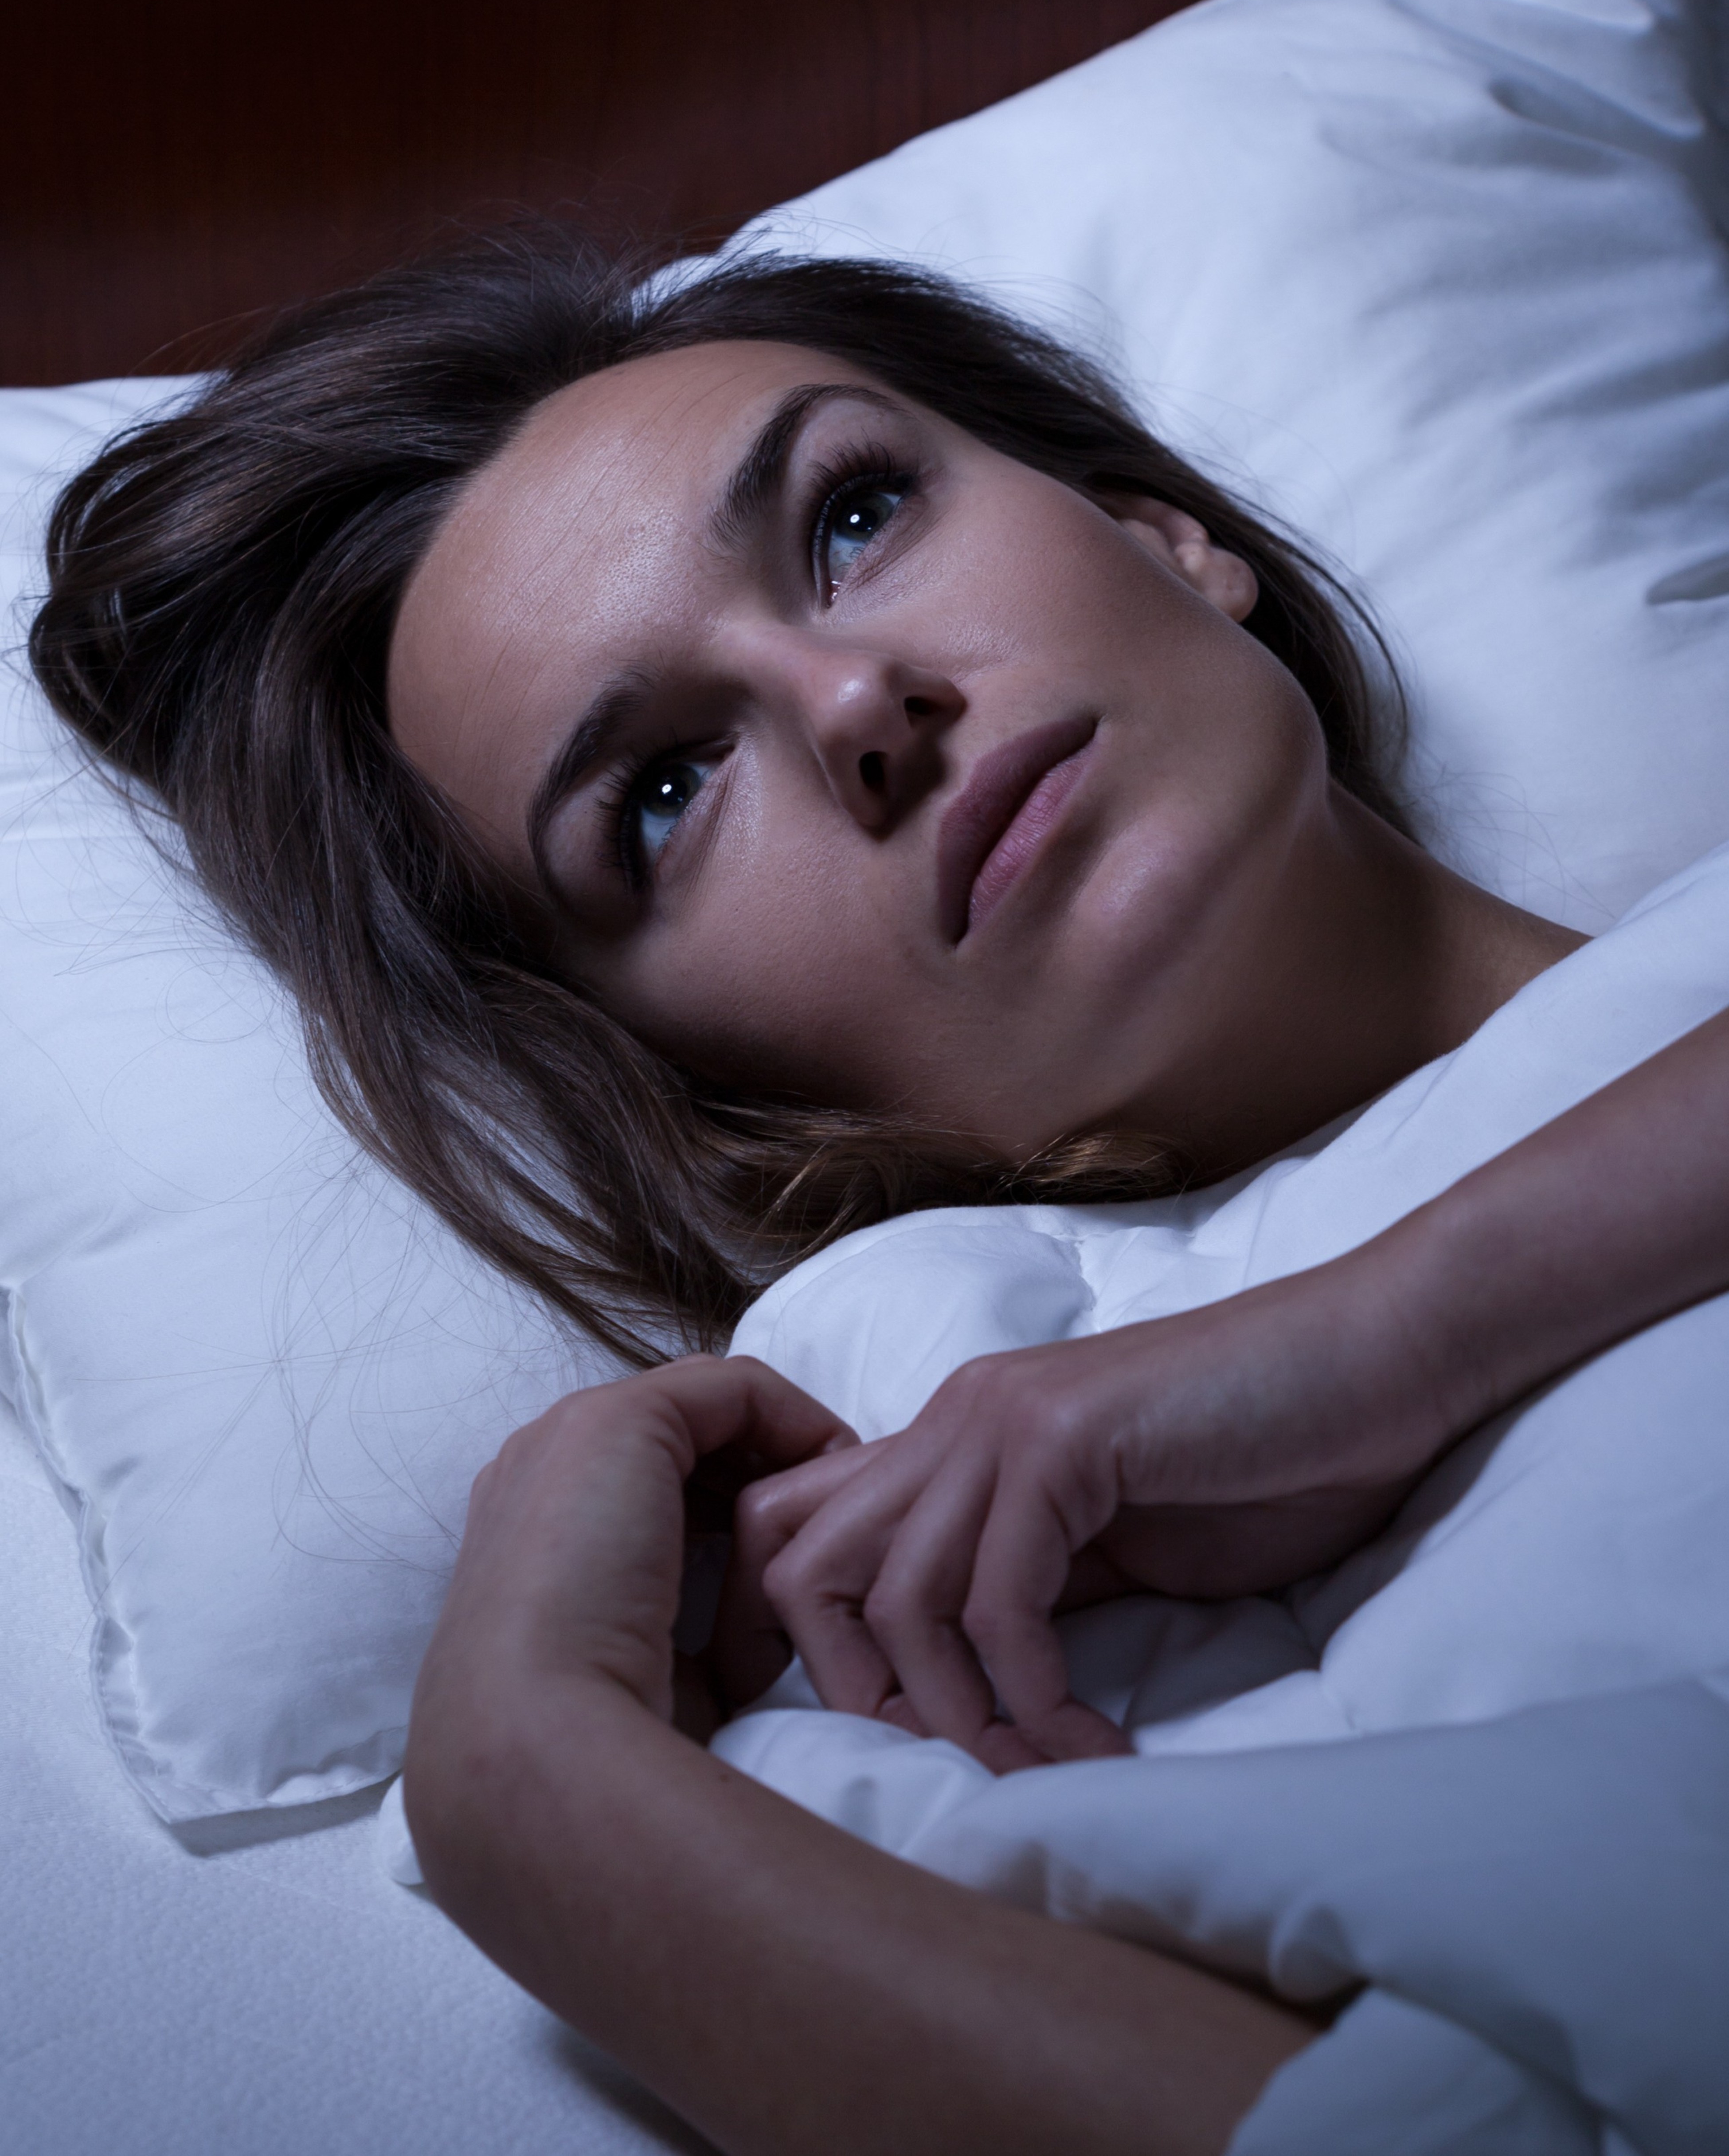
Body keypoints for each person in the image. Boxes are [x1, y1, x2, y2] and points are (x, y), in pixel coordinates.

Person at [29, 234, 1729, 2152]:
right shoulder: (928, 1544)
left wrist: (1385, 1339)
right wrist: (522, 1784)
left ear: (1166, 537)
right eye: (662, 790)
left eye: (852, 514)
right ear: (712, 1086)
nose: (853, 698)